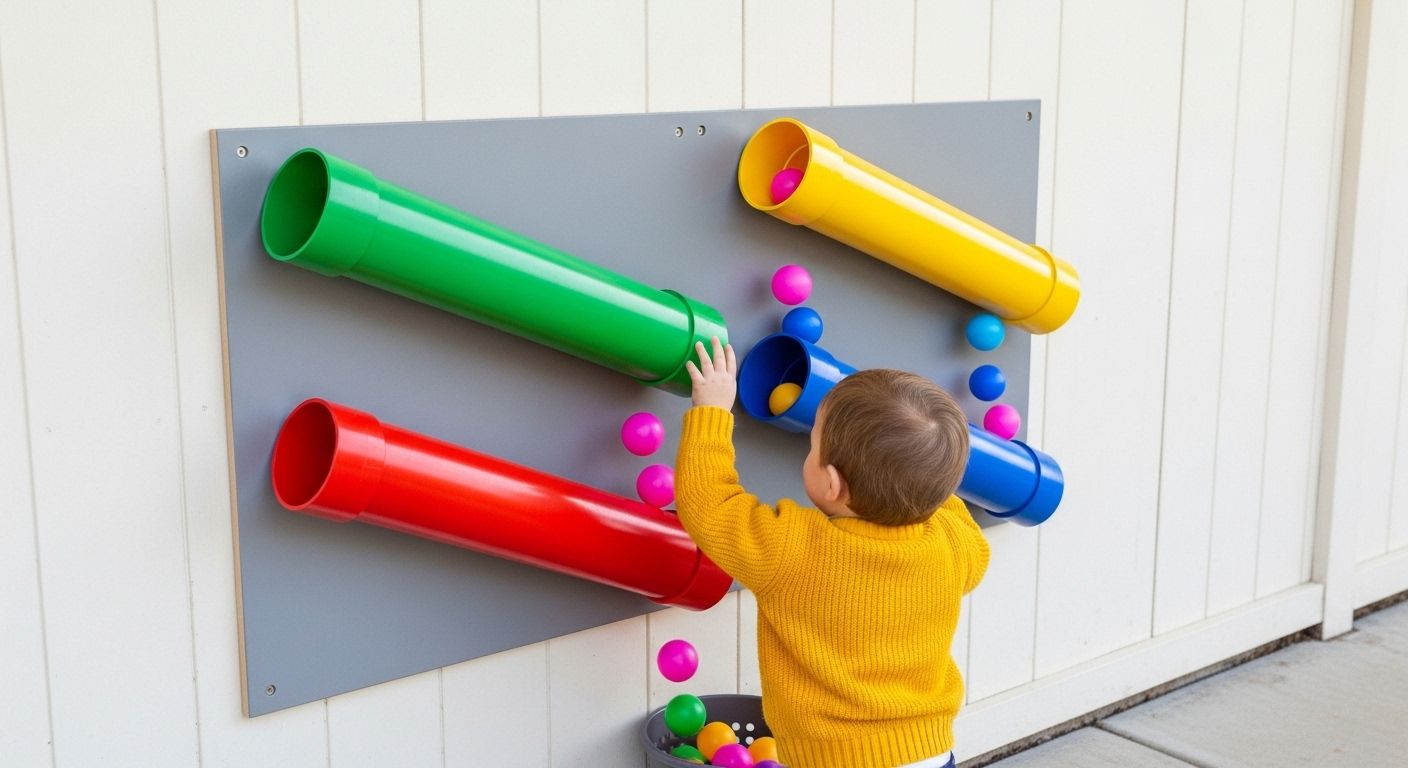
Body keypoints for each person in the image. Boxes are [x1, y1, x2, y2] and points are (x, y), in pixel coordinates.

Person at [675, 337, 989, 768]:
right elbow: (945, 505)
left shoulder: (792, 549)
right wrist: (922, 470)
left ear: (832, 484)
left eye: (813, 446)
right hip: (927, 754)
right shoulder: (954, 544)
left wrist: (711, 411)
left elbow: (710, 505)